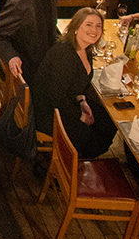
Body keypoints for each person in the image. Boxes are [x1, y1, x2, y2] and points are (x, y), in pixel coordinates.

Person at [33, 8, 117, 158]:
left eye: (98, 26)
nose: (94, 30)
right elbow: (56, 97)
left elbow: (78, 86)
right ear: (76, 27)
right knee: (92, 137)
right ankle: (71, 167)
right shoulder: (64, 54)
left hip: (68, 102)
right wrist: (80, 115)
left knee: (108, 121)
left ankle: (82, 158)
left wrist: (82, 101)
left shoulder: (86, 49)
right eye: (89, 25)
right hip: (49, 112)